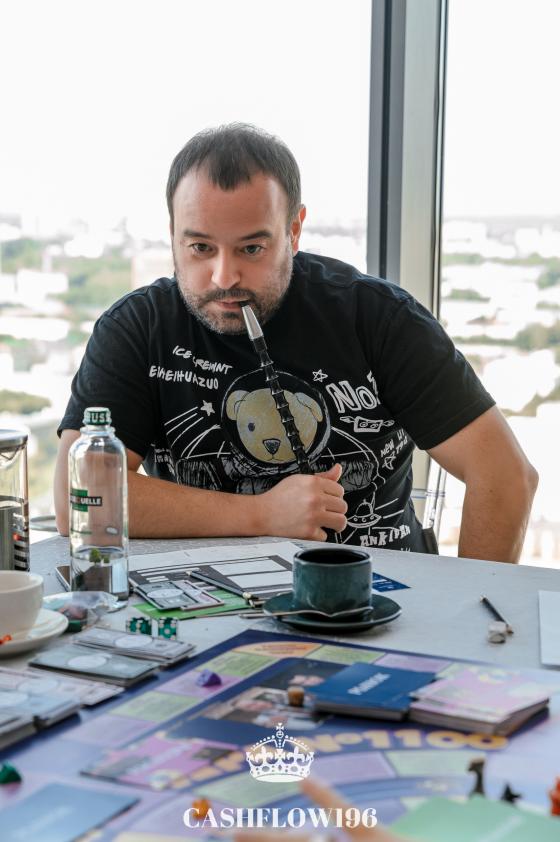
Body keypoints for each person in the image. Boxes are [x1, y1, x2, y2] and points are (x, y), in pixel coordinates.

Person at [54, 123, 537, 560]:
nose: (224, 276)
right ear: (173, 235)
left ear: (294, 230)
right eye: (200, 247)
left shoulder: (378, 317)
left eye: (252, 248)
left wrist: (473, 610)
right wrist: (263, 514)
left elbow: (506, 477)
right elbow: (80, 497)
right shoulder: (138, 326)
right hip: (203, 602)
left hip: (384, 598)